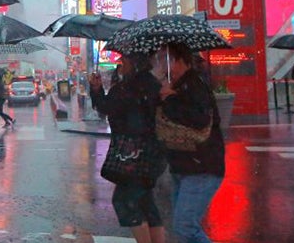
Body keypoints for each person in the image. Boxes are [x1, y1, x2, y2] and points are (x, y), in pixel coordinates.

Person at [89, 54, 166, 243]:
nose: (120, 64)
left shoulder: (127, 88)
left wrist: (96, 90)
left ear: (134, 62)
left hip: (134, 157)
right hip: (155, 155)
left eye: (123, 61)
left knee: (125, 202)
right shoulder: (155, 85)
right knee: (146, 204)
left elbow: (106, 108)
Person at [156, 43, 225, 243]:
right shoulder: (178, 85)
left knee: (185, 227)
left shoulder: (194, 84)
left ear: (180, 60)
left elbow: (198, 119)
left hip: (201, 167)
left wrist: (169, 100)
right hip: (184, 166)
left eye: (166, 59)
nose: (164, 64)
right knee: (183, 230)